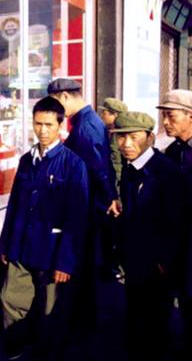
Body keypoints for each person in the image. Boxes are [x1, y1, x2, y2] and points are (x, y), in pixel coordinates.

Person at [0, 96, 89, 360]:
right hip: (21, 247)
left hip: (53, 252)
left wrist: (66, 263)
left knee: (51, 311)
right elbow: (14, 205)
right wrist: (5, 245)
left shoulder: (74, 165)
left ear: (61, 125)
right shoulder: (27, 160)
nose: (43, 130)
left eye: (49, 124)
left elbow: (77, 218)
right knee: (11, 301)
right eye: (38, 124)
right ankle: (15, 349)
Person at [110, 111, 183, 361]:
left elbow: (175, 222)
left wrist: (164, 262)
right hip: (134, 260)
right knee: (136, 319)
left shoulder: (167, 173)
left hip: (157, 266)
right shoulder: (130, 170)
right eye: (120, 138)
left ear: (150, 137)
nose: (126, 144)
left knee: (156, 325)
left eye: (134, 137)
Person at [48, 78, 119, 328]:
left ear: (65, 97)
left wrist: (109, 197)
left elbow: (98, 168)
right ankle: (84, 319)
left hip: (88, 207)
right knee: (87, 264)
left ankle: (83, 323)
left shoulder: (85, 128)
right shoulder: (86, 122)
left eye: (56, 103)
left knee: (84, 265)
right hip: (90, 204)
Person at [156, 89, 192, 355]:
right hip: (174, 245)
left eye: (171, 116)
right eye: (164, 116)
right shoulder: (171, 152)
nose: (165, 123)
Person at [97, 97, 128, 279]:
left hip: (117, 187)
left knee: (117, 226)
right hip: (114, 185)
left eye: (105, 112)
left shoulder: (118, 135)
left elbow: (117, 164)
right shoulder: (109, 132)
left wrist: (114, 193)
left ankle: (119, 268)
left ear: (114, 115)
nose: (102, 115)